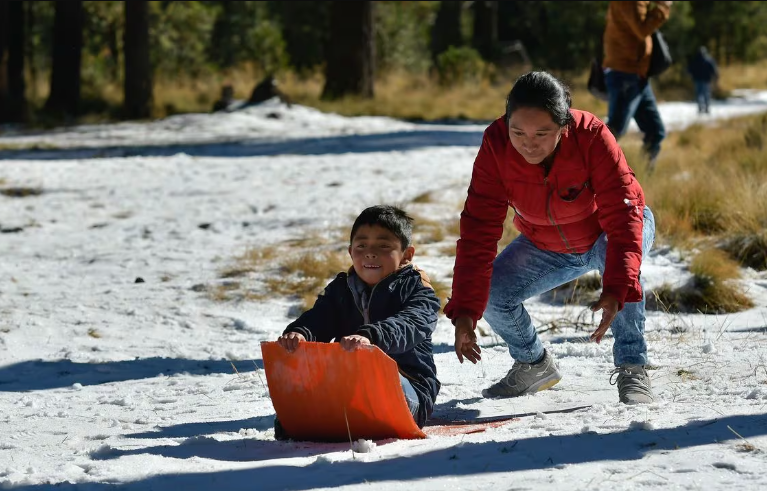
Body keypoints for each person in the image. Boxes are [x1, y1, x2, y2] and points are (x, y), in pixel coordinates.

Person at [445, 71, 656, 405]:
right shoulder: (496, 145)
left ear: (563, 126)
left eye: (542, 133)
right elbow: (478, 231)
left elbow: (623, 214)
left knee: (618, 264)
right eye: (518, 132)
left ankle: (633, 367)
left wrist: (617, 288)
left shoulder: (592, 135)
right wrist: (466, 311)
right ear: (507, 123)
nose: (529, 143)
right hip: (548, 245)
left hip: (611, 230)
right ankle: (533, 363)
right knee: (495, 294)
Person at [275, 205, 441, 439]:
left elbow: (411, 323)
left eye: (383, 246)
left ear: (406, 255)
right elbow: (320, 317)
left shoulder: (417, 290)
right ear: (350, 251)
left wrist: (371, 337)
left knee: (373, 384)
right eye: (361, 246)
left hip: (408, 388)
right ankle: (309, 417)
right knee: (309, 386)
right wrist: (301, 333)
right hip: (351, 383)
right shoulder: (341, 289)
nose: (370, 253)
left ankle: (341, 415)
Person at [602, 1, 673, 171]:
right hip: (625, 74)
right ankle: (586, 177)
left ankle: (643, 179)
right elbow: (641, 29)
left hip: (636, 74)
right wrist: (663, 6)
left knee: (655, 132)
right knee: (613, 132)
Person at [687, 46, 719, 114]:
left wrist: (690, 75)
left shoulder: (695, 60)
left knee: (699, 95)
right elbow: (714, 70)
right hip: (706, 81)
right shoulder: (709, 60)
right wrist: (715, 77)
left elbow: (689, 70)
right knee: (706, 95)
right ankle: (706, 108)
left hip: (698, 80)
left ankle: (700, 108)